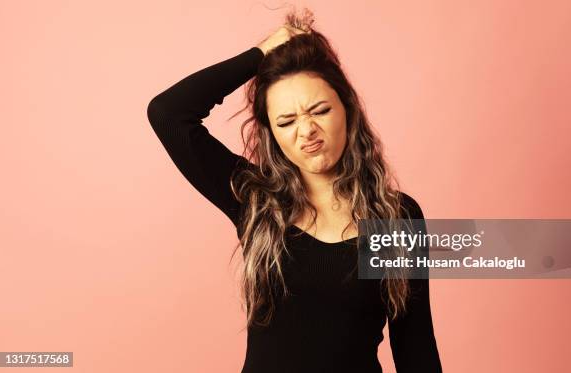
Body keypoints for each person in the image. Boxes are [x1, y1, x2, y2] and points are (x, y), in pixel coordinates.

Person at [146, 9, 442, 373]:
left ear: (347, 110)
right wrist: (261, 53)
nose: (307, 131)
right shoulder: (257, 201)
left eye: (319, 111)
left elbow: (416, 349)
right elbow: (168, 113)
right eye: (286, 121)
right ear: (271, 132)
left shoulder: (395, 218)